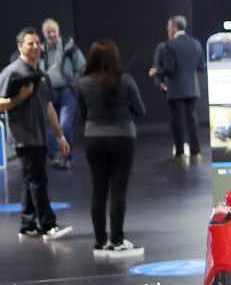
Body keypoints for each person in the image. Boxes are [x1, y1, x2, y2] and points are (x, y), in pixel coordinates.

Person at [74, 40, 145, 257]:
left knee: (98, 190)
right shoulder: (126, 80)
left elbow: (81, 115)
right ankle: (116, 240)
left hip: (94, 139)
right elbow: (140, 110)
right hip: (123, 138)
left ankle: (100, 241)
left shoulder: (82, 83)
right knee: (118, 190)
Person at [4, 28, 70, 240]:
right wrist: (19, 98)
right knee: (38, 180)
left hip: (39, 135)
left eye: (37, 43)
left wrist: (60, 135)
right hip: (24, 137)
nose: (35, 47)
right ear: (20, 46)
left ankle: (28, 224)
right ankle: (48, 225)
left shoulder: (41, 75)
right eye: (30, 43)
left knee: (30, 180)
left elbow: (48, 107)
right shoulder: (12, 72)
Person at [149, 15, 205, 163]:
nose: (167, 29)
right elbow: (201, 67)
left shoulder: (169, 45)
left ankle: (180, 153)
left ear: (175, 26)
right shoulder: (196, 44)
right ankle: (196, 152)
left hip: (175, 90)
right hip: (192, 89)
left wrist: (156, 71)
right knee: (192, 120)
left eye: (169, 26)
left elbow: (169, 68)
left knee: (177, 122)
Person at [38, 18, 83, 170]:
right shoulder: (40, 50)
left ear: (58, 31)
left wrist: (74, 82)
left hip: (66, 91)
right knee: (49, 128)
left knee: (64, 125)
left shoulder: (69, 47)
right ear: (44, 34)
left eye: (54, 31)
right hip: (48, 93)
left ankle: (66, 157)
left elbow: (82, 66)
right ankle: (55, 156)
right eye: (48, 32)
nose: (52, 34)